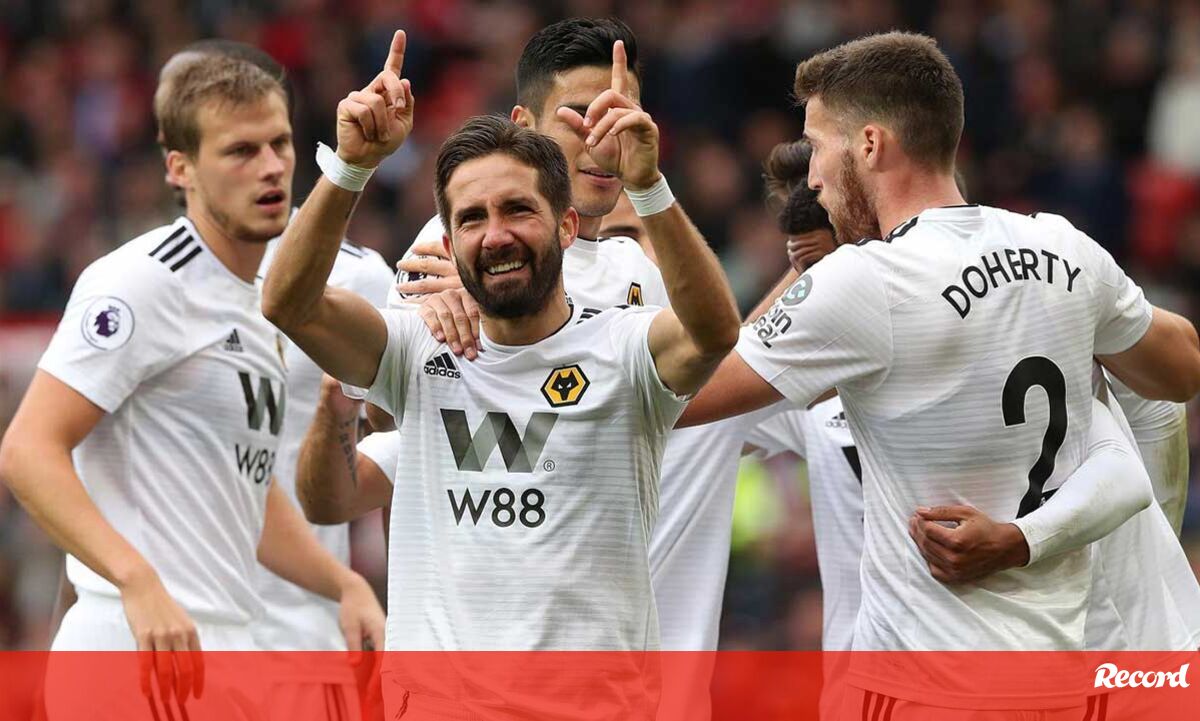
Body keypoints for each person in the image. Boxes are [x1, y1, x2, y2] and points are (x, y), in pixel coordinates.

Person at [679, 31, 1200, 717]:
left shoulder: (865, 282)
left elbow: (679, 396)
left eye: (819, 146)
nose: (814, 176)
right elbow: (1175, 377)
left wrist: (653, 205)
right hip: (1061, 676)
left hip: (927, 683)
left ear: (870, 145)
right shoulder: (1062, 249)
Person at [262, 30, 739, 720]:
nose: (602, 137)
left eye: (518, 211)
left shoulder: (633, 307)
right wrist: (349, 169)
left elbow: (714, 334)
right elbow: (345, 380)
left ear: (564, 226)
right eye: (581, 115)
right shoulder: (426, 310)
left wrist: (649, 186)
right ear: (449, 241)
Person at [0, 52, 383, 719]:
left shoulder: (257, 301)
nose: (270, 167)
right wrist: (135, 580)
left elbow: (245, 490)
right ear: (180, 169)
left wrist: (343, 583)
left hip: (226, 650)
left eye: (279, 143)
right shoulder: (143, 281)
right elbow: (27, 449)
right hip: (134, 650)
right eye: (240, 151)